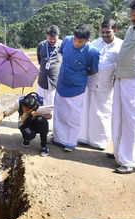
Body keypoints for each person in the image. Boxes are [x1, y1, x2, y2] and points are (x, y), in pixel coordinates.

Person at [108, 0, 135, 174]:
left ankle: (130, 161)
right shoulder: (131, 28)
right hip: (121, 77)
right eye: (132, 14)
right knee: (118, 115)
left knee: (132, 119)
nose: (133, 18)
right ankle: (119, 154)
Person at [52, 24, 100, 152]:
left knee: (73, 117)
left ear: (87, 40)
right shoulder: (67, 40)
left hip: (76, 89)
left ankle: (70, 142)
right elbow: (62, 54)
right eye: (75, 39)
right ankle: (57, 138)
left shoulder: (92, 52)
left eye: (80, 41)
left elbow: (93, 70)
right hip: (61, 84)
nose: (76, 43)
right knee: (59, 113)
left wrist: (78, 75)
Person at [78, 19, 123, 151]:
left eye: (107, 32)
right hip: (90, 82)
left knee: (102, 113)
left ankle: (100, 141)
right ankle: (84, 138)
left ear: (114, 30)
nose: (104, 35)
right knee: (86, 110)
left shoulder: (121, 45)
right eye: (102, 32)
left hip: (106, 85)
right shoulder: (95, 43)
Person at [0, 92, 51, 157]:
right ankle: (26, 139)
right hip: (25, 122)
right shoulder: (19, 103)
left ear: (33, 107)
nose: (25, 110)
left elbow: (49, 116)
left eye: (28, 109)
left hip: (36, 122)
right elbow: (4, 113)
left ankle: (44, 146)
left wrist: (38, 114)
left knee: (42, 121)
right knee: (28, 134)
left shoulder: (40, 103)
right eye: (24, 108)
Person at [37, 25, 62, 106]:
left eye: (54, 38)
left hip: (55, 83)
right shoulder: (41, 45)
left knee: (53, 107)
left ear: (58, 36)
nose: (51, 40)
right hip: (42, 81)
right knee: (40, 106)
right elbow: (40, 60)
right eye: (49, 38)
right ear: (46, 36)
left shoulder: (62, 45)